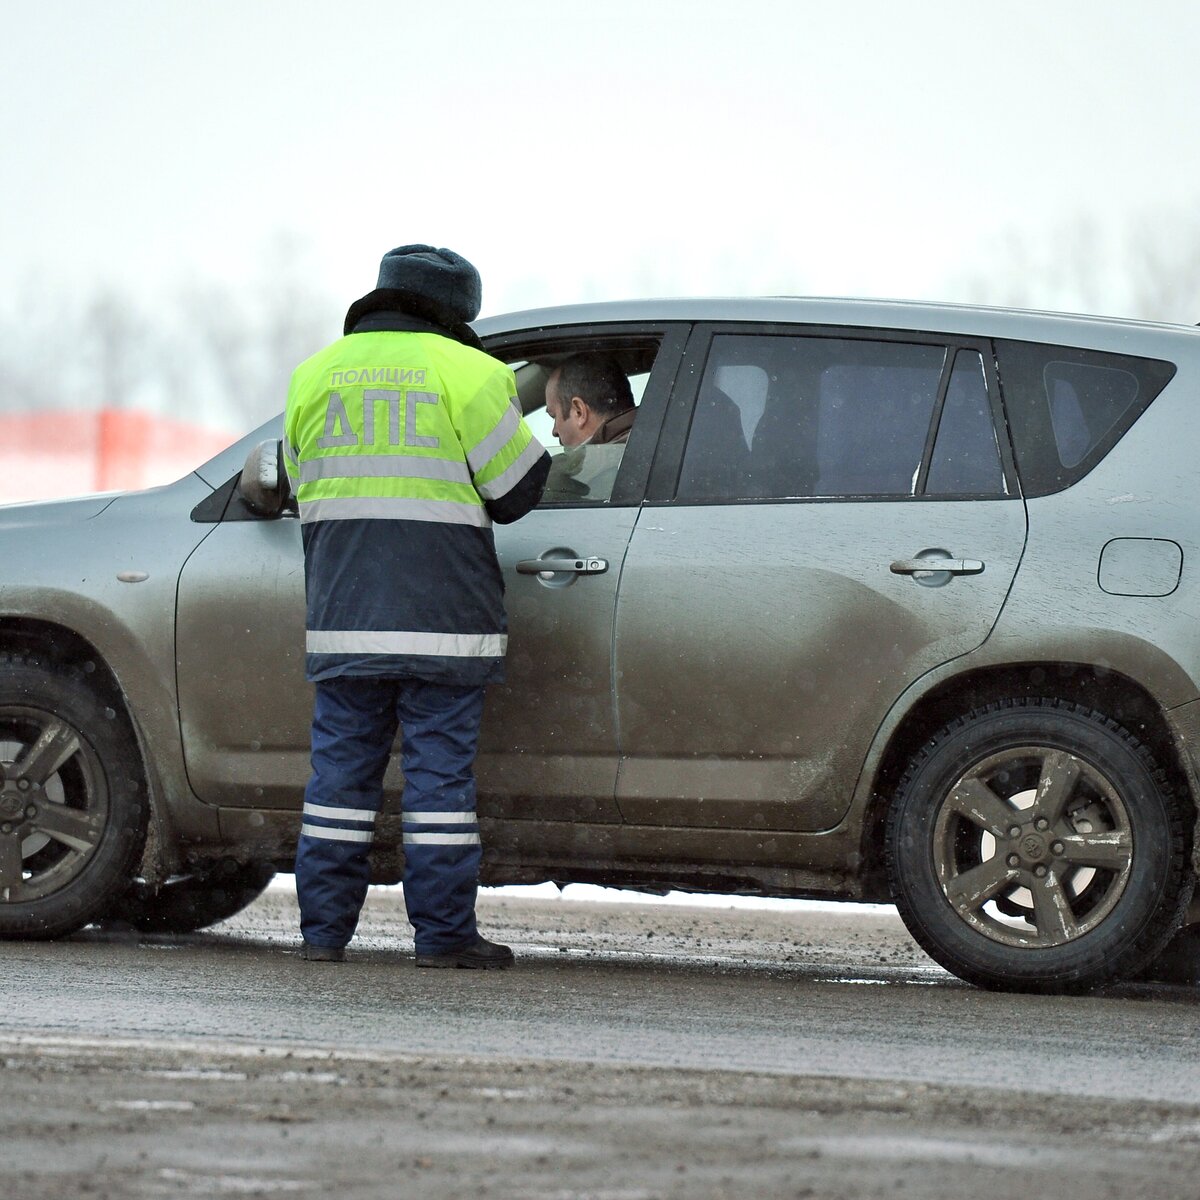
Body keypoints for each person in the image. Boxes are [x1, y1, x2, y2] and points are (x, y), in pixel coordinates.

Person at [283, 244, 550, 969]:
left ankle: (323, 935)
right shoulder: (472, 374)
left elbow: (297, 485)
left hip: (345, 619)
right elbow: (517, 493)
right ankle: (441, 937)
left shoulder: (315, 375)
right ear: (459, 314)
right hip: (444, 625)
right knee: (437, 791)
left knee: (338, 785)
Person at [541, 353, 635, 501]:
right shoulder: (651, 446)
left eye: (554, 416)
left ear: (579, 411)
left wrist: (548, 488)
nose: (554, 431)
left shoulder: (603, 470)